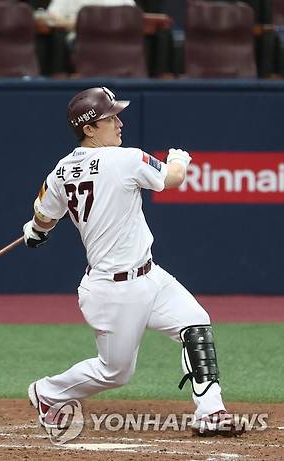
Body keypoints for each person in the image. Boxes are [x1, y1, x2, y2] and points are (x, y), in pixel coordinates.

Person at [24, 87, 242, 437]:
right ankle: (48, 393)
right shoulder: (125, 158)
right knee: (116, 373)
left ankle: (210, 411)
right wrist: (179, 160)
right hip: (114, 288)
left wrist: (35, 230)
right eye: (110, 117)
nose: (119, 123)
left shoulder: (60, 171)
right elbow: (172, 179)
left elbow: (44, 216)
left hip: (149, 275)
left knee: (195, 322)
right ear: (89, 128)